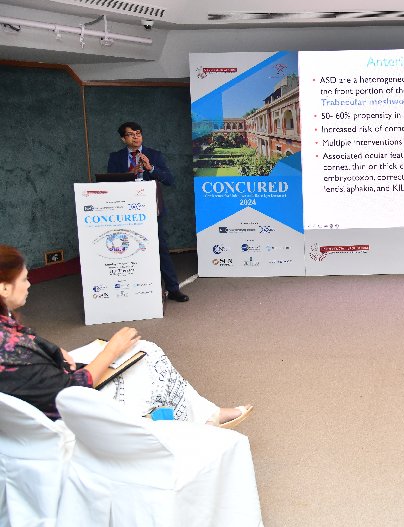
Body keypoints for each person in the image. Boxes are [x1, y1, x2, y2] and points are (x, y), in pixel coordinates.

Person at [0, 245, 252, 426]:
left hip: (45, 393)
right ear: (4, 287)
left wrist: (54, 352)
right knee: (145, 357)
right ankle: (198, 419)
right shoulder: (15, 353)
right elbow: (71, 393)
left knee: (143, 352)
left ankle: (201, 415)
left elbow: (29, 353)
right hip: (66, 416)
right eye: (24, 279)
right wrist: (112, 350)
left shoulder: (8, 336)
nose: (29, 285)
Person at [107, 121, 188, 302]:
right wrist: (131, 173)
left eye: (138, 133)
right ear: (123, 139)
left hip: (151, 209)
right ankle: (132, 291)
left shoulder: (154, 155)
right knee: (129, 248)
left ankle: (173, 289)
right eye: (131, 134)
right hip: (125, 211)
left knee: (161, 248)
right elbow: (109, 183)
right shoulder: (115, 157)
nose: (136, 137)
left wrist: (151, 168)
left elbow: (169, 180)